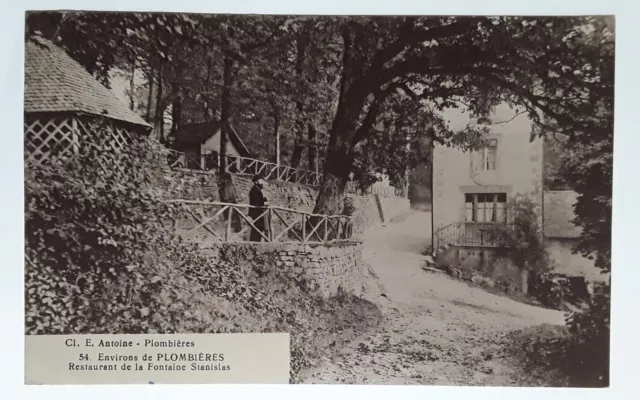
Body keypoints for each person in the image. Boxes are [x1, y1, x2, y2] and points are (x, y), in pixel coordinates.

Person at [249, 175, 269, 242]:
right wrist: (264, 203)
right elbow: (255, 201)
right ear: (256, 182)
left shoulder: (258, 189)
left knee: (260, 227)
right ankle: (254, 242)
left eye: (262, 180)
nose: (262, 182)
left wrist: (264, 200)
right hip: (256, 212)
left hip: (259, 212)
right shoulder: (254, 190)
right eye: (260, 181)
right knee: (257, 228)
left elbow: (262, 199)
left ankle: (256, 241)